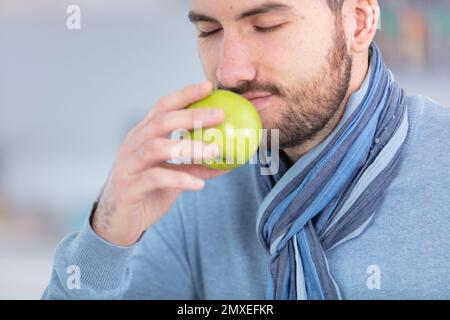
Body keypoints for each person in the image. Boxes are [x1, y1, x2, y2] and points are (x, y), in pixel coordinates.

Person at [43, 0, 450, 299]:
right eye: (209, 32)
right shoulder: (187, 186)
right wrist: (108, 234)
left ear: (359, 22)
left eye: (268, 25)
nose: (230, 71)